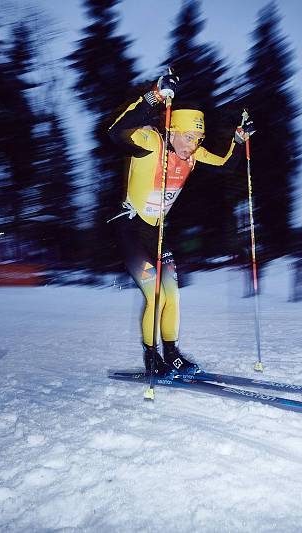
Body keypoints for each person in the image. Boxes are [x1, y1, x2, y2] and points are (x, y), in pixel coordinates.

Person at [108, 72, 255, 377]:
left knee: (173, 296)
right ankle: (151, 358)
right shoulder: (151, 142)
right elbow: (115, 131)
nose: (194, 144)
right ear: (173, 130)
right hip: (132, 231)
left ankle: (172, 354)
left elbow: (226, 163)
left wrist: (239, 141)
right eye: (189, 137)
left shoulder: (194, 155)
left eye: (198, 139)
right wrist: (155, 97)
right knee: (155, 296)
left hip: (158, 233)